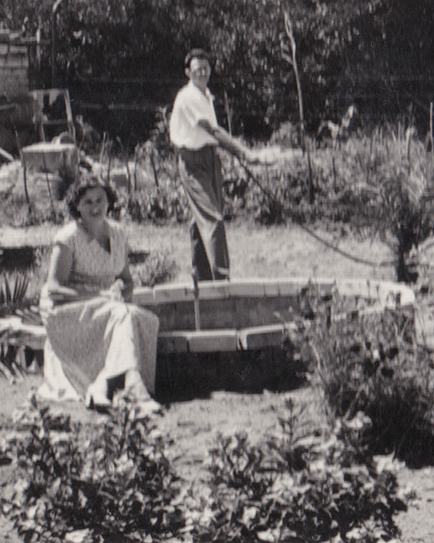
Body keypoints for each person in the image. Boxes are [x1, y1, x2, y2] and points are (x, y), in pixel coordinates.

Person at [37, 177, 161, 415]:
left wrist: (123, 292)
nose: (95, 207)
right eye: (87, 202)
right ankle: (134, 387)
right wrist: (98, 295)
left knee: (144, 319)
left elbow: (126, 279)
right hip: (67, 308)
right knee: (123, 316)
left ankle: (103, 383)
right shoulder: (67, 238)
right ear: (77, 206)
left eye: (100, 200)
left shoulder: (117, 233)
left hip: (106, 305)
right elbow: (53, 289)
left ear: (109, 201)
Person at [169, 49, 266, 281]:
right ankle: (222, 280)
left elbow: (212, 136)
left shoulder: (206, 94)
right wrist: (245, 153)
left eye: (205, 69)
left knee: (200, 219)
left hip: (210, 158)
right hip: (193, 161)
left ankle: (201, 277)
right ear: (187, 73)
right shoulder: (188, 97)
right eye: (196, 70)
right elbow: (212, 130)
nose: (202, 73)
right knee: (213, 218)